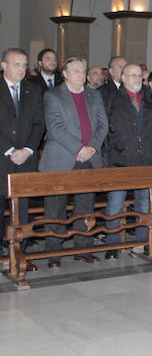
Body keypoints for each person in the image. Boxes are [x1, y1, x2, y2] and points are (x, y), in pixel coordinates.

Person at [40, 56, 108, 268]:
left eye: (83, 70)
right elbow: (55, 127)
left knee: (85, 205)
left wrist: (92, 148)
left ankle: (83, 247)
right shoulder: (53, 95)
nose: (81, 74)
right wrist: (79, 148)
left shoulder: (94, 95)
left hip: (89, 159)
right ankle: (54, 251)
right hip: (61, 159)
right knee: (55, 206)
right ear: (66, 74)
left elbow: (103, 125)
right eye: (76, 70)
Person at [103, 63, 152, 259]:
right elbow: (105, 127)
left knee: (143, 204)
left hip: (146, 159)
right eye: (132, 75)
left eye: (139, 76)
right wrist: (115, 148)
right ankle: (112, 244)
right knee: (115, 205)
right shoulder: (111, 98)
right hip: (120, 160)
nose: (137, 79)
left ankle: (142, 242)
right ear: (123, 78)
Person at [0, 48, 44, 268]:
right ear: (4, 65)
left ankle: (21, 254)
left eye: (24, 65)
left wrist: (28, 149)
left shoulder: (33, 90)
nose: (21, 69)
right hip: (2, 158)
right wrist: (8, 150)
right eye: (16, 64)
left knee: (23, 208)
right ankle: (2, 252)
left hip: (26, 159)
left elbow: (39, 123)